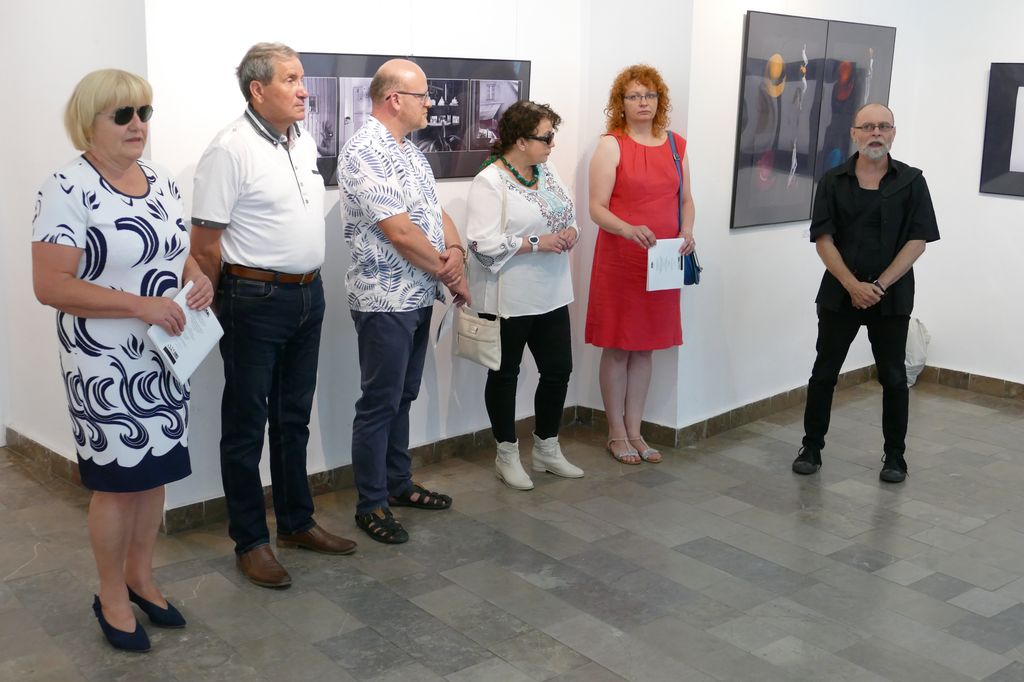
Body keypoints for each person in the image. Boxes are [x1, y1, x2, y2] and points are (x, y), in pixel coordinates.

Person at [32, 69, 214, 651]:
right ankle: (111, 594)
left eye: (144, 113)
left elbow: (175, 251)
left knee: (152, 473)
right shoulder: (66, 187)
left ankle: (141, 577)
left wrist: (198, 277)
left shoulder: (159, 180)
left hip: (165, 357)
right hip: (103, 367)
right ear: (89, 122)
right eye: (123, 115)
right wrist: (140, 305)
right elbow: (51, 285)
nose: (138, 125)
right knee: (116, 483)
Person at [191, 43, 357, 589]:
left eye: (302, 78)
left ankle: (296, 522)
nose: (304, 90)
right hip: (253, 299)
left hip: (308, 296)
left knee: (293, 418)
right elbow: (205, 244)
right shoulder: (230, 149)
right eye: (291, 80)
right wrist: (223, 304)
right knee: (246, 427)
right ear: (257, 90)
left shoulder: (302, 139)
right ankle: (250, 541)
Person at [338, 59, 468, 544]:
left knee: (402, 397)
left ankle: (397, 483)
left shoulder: (411, 152)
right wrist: (446, 270)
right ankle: (370, 503)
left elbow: (435, 213)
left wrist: (455, 252)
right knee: (379, 403)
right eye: (423, 95)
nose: (431, 103)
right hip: (383, 300)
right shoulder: (364, 151)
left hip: (416, 295)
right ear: (394, 99)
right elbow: (400, 232)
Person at [792, 102, 939, 483]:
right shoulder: (833, 181)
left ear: (893, 133)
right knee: (824, 373)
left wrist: (878, 286)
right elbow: (823, 239)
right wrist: (852, 285)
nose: (876, 133)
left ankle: (895, 457)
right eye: (868, 126)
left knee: (894, 378)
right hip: (840, 293)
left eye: (884, 126)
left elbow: (918, 241)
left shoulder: (912, 181)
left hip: (890, 297)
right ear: (854, 133)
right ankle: (811, 447)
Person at [464, 101, 584, 490]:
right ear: (520, 141)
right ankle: (506, 455)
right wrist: (537, 242)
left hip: (552, 292)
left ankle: (547, 448)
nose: (552, 144)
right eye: (546, 137)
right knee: (505, 375)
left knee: (558, 371)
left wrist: (572, 232)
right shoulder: (490, 181)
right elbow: (482, 244)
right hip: (509, 299)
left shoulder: (547, 171)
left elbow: (569, 216)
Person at [585, 64, 696, 465]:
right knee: (618, 347)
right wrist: (628, 229)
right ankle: (616, 433)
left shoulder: (676, 145)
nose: (643, 102)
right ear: (621, 103)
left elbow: (686, 200)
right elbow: (596, 208)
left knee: (645, 348)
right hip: (621, 259)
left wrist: (687, 231)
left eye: (649, 95)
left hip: (663, 260)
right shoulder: (611, 145)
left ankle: (636, 430)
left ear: (659, 101)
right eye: (634, 96)